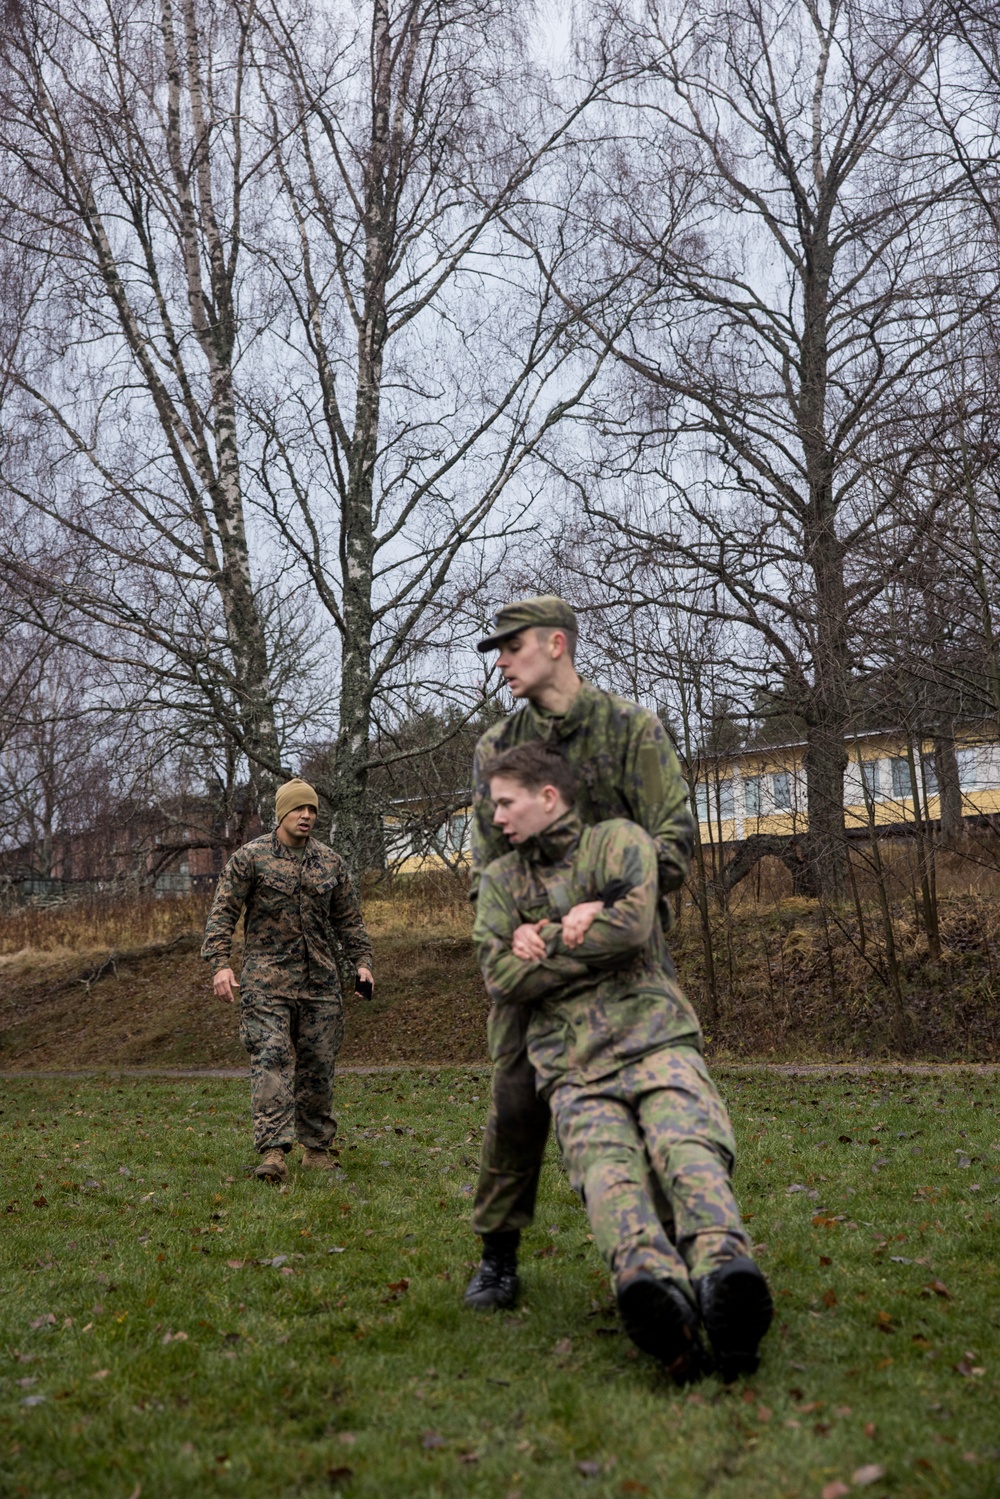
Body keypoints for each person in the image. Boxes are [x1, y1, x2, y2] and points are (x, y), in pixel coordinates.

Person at [472, 742, 772, 1382]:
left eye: (504, 802)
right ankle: (651, 1291)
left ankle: (726, 1281)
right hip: (572, 1064)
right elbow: (499, 975)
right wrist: (576, 926)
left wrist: (542, 941)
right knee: (607, 1174)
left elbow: (633, 932)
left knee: (687, 1147)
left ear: (546, 797)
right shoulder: (501, 882)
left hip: (655, 1038)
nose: (494, 817)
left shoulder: (620, 843)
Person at [465, 595, 695, 1310]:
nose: (500, 660)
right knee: (513, 1095)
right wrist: (518, 929)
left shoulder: (631, 729)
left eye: (511, 645)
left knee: (654, 1088)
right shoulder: (496, 747)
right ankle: (498, 1253)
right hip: (533, 955)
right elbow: (487, 861)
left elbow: (676, 839)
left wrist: (615, 893)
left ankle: (673, 1247)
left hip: (624, 954)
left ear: (556, 644)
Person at [202, 777, 375, 1183]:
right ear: (282, 813)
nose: (307, 816)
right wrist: (220, 964)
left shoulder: (330, 862)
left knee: (317, 1066)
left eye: (312, 809)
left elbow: (349, 920)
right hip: (266, 983)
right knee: (273, 1057)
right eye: (299, 809)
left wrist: (362, 963)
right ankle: (274, 1151)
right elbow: (222, 913)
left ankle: (316, 1150)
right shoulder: (251, 858)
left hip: (320, 986)